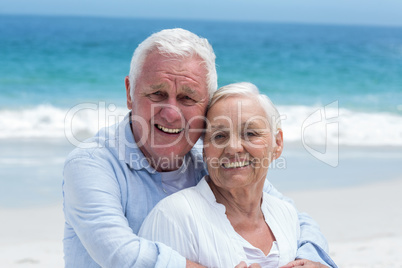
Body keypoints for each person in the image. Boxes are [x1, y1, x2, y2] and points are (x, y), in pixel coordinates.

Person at [62, 28, 336, 267]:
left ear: (206, 106)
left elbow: (286, 213)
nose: (170, 113)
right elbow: (121, 254)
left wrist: (314, 260)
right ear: (129, 93)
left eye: (187, 97)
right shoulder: (92, 163)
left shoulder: (209, 154)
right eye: (157, 94)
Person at [138, 82, 325, 267]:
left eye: (250, 133)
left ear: (277, 144)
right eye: (219, 136)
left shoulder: (286, 214)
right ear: (204, 151)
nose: (233, 147)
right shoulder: (175, 217)